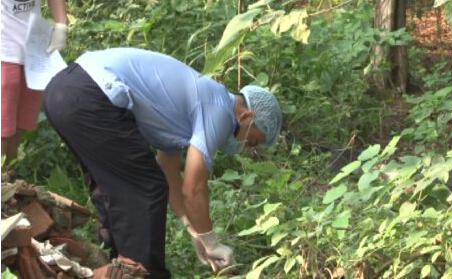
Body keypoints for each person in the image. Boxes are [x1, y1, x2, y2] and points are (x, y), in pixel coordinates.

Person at [42, 47, 282, 279]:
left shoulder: (191, 110)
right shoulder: (219, 109)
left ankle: (111, 264)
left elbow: (169, 171)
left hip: (62, 92)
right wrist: (212, 242)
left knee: (114, 187)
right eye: (251, 141)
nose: (244, 148)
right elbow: (193, 188)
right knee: (146, 188)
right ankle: (142, 274)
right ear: (247, 116)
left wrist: (194, 231)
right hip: (89, 93)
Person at [1, 0, 68, 165]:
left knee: (21, 121)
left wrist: (61, 24)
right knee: (3, 123)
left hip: (34, 47)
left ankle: (7, 172)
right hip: (4, 48)